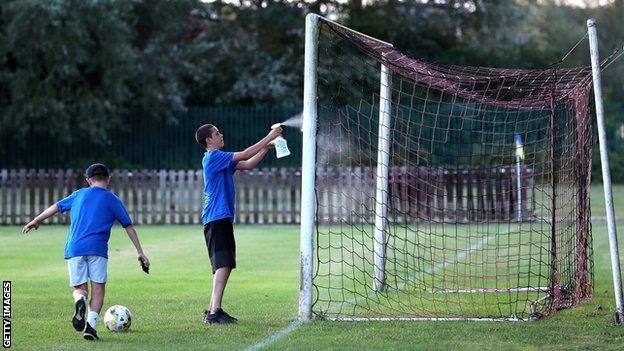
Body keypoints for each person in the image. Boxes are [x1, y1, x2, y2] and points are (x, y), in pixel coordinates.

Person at [22, 163, 150, 340]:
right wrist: (140, 252)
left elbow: (56, 207)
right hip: (98, 249)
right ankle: (90, 327)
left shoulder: (78, 194)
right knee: (98, 289)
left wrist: (36, 220)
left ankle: (79, 301)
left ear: (88, 180)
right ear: (108, 179)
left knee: (80, 288)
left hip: (75, 248)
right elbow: (128, 226)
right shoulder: (112, 199)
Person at [195, 123, 281, 325]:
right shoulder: (213, 157)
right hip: (216, 218)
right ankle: (214, 312)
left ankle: (213, 310)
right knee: (223, 264)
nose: (221, 134)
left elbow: (248, 163)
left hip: (219, 218)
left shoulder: (221, 159)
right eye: (217, 133)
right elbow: (244, 154)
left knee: (223, 265)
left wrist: (266, 148)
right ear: (209, 140)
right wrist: (270, 135)